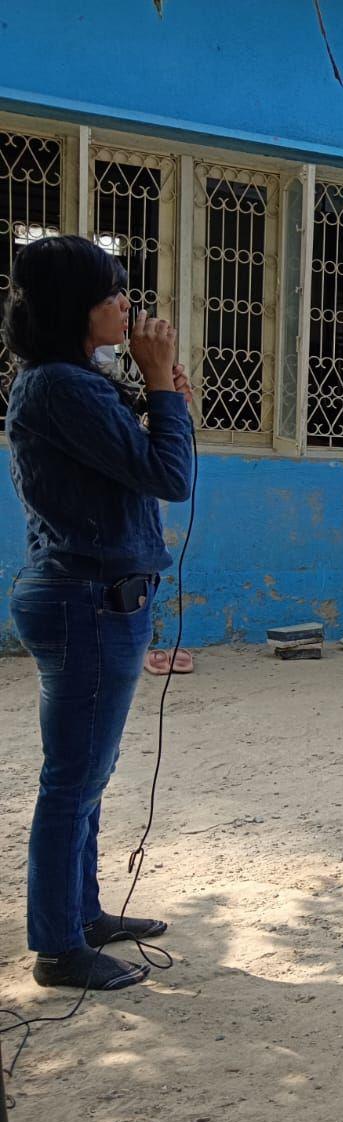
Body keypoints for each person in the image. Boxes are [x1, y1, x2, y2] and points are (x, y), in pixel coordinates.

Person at [5, 234, 195, 990]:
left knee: (88, 771)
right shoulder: (62, 386)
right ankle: (59, 946)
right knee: (72, 779)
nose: (128, 305)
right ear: (72, 308)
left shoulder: (71, 382)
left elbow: (140, 468)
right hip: (87, 603)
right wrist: (164, 391)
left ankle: (79, 914)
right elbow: (168, 475)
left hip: (95, 599)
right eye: (113, 293)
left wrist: (159, 395)